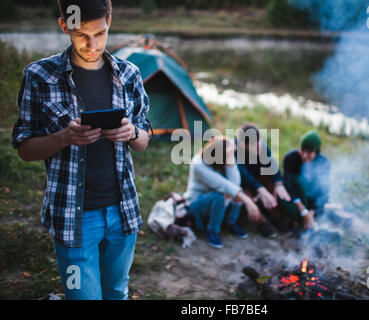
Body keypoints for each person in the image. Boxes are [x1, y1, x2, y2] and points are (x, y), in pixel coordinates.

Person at [11, 0, 151, 300]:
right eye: (82, 35)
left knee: (116, 291)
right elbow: (24, 148)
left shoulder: (129, 74)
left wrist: (132, 132)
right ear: (65, 26)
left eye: (99, 34)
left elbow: (144, 139)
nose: (92, 44)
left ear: (110, 21)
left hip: (122, 211)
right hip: (73, 216)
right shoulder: (39, 76)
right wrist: (63, 138)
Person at [184, 136, 260, 248]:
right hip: (196, 203)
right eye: (230, 153)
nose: (232, 155)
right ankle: (212, 230)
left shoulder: (224, 161)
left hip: (218, 199)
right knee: (222, 195)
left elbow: (235, 184)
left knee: (234, 191)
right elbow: (223, 185)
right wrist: (249, 202)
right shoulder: (198, 164)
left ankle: (230, 223)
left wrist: (230, 162)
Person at [235, 123, 292, 237]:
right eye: (254, 145)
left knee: (272, 182)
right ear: (243, 144)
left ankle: (277, 217)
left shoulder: (261, 147)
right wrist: (259, 189)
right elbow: (243, 176)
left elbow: (271, 166)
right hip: (242, 183)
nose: (258, 147)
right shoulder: (235, 151)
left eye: (259, 142)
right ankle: (262, 222)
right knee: (244, 190)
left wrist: (279, 183)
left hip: (258, 177)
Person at [282, 130, 330, 229]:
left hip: (312, 203)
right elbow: (288, 184)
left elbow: (323, 191)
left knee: (319, 205)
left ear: (316, 152)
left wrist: (311, 212)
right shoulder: (291, 158)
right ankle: (303, 221)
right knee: (283, 199)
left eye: (309, 153)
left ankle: (306, 221)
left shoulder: (323, 163)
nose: (304, 156)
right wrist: (303, 210)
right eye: (303, 151)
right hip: (295, 199)